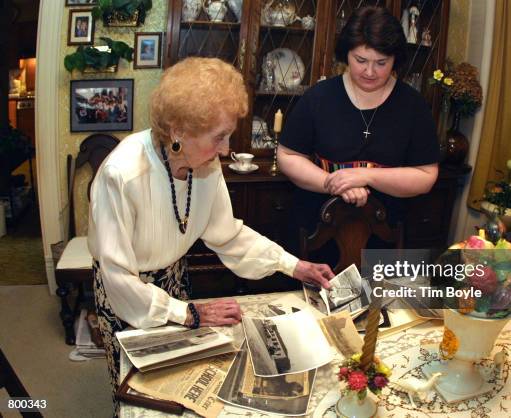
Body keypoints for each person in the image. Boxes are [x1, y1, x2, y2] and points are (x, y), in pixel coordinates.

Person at [87, 57, 334, 414]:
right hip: (126, 292)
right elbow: (118, 278)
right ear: (177, 131)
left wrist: (294, 266)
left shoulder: (206, 164)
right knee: (140, 397)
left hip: (173, 278)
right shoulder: (122, 175)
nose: (225, 149)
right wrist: (189, 314)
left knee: (179, 386)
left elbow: (227, 235)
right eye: (219, 137)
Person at [278, 7, 439, 262]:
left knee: (378, 300)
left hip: (385, 236)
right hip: (316, 229)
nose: (370, 72)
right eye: (361, 60)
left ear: (395, 59)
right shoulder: (318, 98)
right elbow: (287, 155)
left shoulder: (413, 106)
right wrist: (334, 184)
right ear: (346, 55)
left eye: (381, 63)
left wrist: (366, 176)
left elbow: (426, 176)